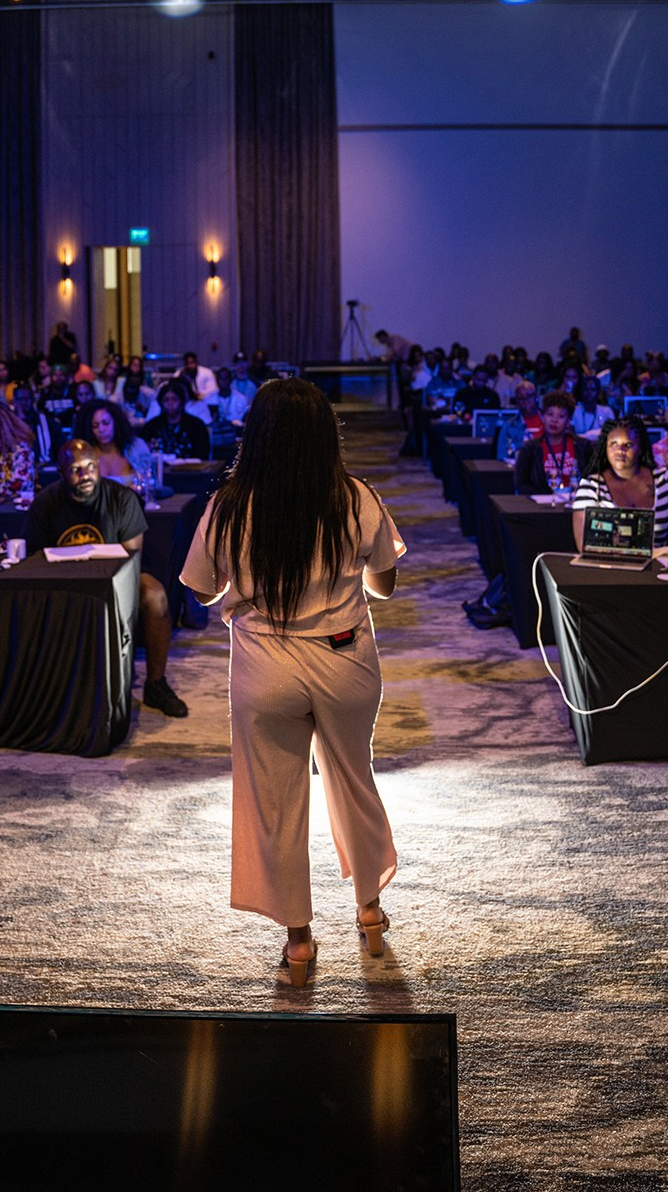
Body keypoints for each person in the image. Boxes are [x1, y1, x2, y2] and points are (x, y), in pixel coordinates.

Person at [180, 378, 405, 987]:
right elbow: (384, 583)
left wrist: (248, 585)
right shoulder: (356, 497)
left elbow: (200, 588)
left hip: (266, 666)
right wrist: (343, 580)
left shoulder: (230, 505)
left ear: (256, 437)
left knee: (274, 806)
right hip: (345, 660)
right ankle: (369, 909)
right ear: (324, 436)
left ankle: (300, 944)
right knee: (353, 781)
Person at [25, 440, 187, 718]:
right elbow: (35, 557)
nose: (85, 475)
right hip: (64, 579)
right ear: (62, 472)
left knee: (155, 595)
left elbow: (131, 559)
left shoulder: (122, 498)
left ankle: (156, 683)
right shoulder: (46, 503)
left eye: (90, 467)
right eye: (75, 470)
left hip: (119, 576)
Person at [572, 417, 668, 550]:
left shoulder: (664, 480)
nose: (620, 450)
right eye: (613, 443)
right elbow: (583, 545)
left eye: (628, 444)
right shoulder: (591, 486)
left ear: (640, 448)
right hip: (607, 567)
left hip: (656, 567)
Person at [514, 390, 592, 493]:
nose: (554, 420)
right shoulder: (530, 448)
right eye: (550, 414)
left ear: (568, 421)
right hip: (541, 505)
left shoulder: (583, 446)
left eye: (561, 416)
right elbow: (521, 484)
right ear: (543, 417)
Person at [74, 399, 153, 481]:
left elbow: (151, 482)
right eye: (95, 426)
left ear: (116, 423)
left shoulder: (136, 447)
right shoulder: (85, 456)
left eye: (106, 423)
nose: (101, 429)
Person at [143, 380, 210, 458]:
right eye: (166, 400)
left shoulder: (196, 425)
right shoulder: (152, 426)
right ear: (161, 403)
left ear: (181, 402)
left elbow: (202, 454)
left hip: (189, 468)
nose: (170, 403)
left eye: (174, 399)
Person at [571, 374, 615, 439]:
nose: (589, 393)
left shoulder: (607, 411)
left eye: (592, 389)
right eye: (586, 389)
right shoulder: (574, 411)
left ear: (598, 392)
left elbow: (612, 433)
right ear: (582, 392)